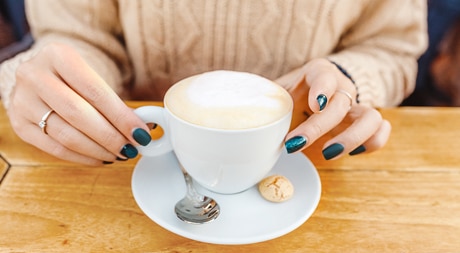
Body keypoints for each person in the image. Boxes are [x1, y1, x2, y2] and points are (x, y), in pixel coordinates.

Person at [0, 0, 427, 166]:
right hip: (131, 172)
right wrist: (67, 86)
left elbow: (391, 47)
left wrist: (346, 83)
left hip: (306, 158)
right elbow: (79, 36)